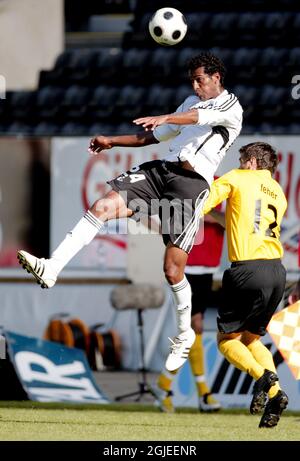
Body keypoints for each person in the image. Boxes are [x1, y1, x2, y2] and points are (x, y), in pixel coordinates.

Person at [17, 52, 243, 373]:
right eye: (192, 80)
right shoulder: (187, 103)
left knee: (172, 270)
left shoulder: (230, 106)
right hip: (161, 172)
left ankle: (183, 335)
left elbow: (194, 119)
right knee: (103, 205)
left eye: (200, 79)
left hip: (191, 185)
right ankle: (52, 267)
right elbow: (152, 135)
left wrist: (165, 117)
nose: (195, 85)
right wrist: (112, 141)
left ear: (217, 78)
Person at [203, 141, 288, 428]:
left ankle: (262, 377)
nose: (239, 163)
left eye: (242, 159)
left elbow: (203, 203)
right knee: (252, 339)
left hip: (247, 270)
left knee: (227, 340)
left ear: (251, 160)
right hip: (276, 271)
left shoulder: (238, 177)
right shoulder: (277, 191)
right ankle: (276, 395)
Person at [156, 210, 224, 413]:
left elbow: (228, 220)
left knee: (194, 329)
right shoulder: (186, 185)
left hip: (208, 269)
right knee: (193, 326)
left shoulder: (222, 188)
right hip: (185, 267)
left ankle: (165, 385)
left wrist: (207, 213)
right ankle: (203, 392)